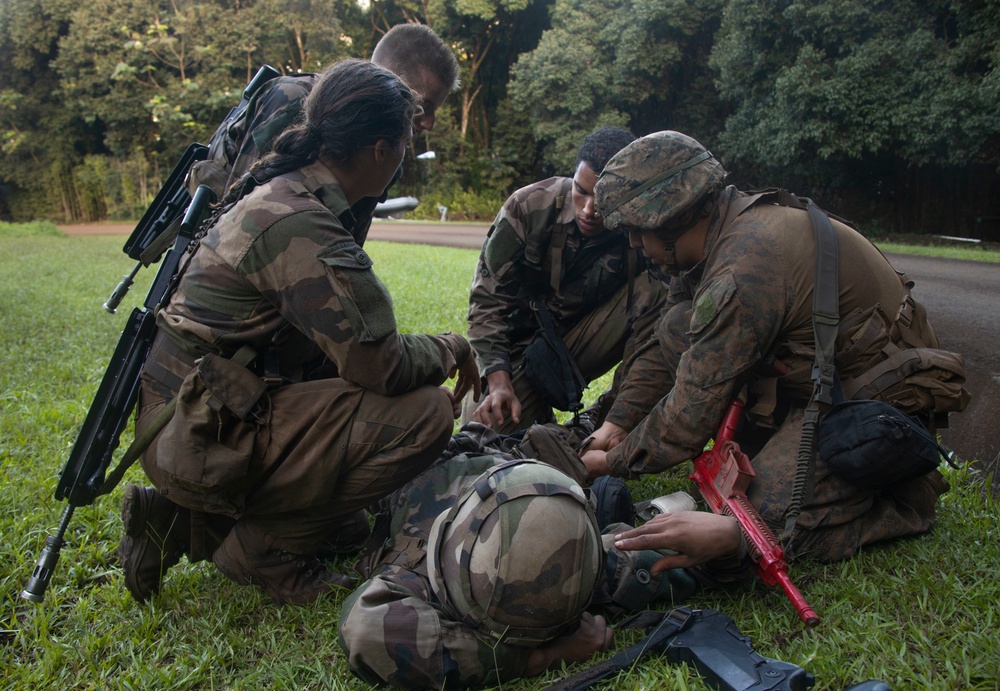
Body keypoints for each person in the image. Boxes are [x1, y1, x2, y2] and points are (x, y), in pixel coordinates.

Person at [117, 59, 480, 606]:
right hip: (196, 433)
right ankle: (261, 553)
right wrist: (452, 347)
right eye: (404, 144)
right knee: (425, 414)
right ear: (380, 150)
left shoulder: (285, 190)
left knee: (350, 522)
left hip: (193, 417)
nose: (405, 157)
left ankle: (177, 520)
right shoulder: (299, 223)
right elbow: (378, 365)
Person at [580, 130, 966, 574]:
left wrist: (612, 462)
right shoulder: (713, 235)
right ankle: (773, 443)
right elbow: (661, 352)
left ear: (670, 218)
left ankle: (899, 499)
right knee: (675, 323)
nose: (632, 244)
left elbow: (688, 414)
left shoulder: (744, 265)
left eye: (635, 230)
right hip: (820, 381)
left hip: (873, 405)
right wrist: (618, 423)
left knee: (743, 528)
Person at [338, 424, 699, 687]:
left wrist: (731, 540)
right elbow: (365, 630)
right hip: (427, 463)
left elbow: (689, 559)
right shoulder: (414, 575)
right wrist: (543, 656)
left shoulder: (587, 564)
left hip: (514, 465)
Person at [465, 126, 667, 434]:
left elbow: (678, 302)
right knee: (486, 435)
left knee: (658, 294)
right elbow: (486, 302)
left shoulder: (638, 225)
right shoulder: (528, 206)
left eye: (602, 200)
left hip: (577, 343)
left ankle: (604, 420)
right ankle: (533, 406)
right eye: (581, 191)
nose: (588, 210)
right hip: (517, 350)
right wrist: (499, 383)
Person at [189, 22, 459, 245]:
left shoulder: (386, 152)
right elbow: (238, 214)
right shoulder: (293, 99)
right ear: (388, 78)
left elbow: (348, 242)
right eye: (424, 106)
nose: (429, 123)